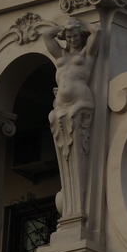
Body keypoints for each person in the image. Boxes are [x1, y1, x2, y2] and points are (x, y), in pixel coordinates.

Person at [43, 17, 99, 218]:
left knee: (77, 142)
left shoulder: (86, 54)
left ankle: (77, 205)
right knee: (63, 142)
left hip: (81, 102)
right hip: (61, 106)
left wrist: (84, 25)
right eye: (69, 36)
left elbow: (97, 33)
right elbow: (46, 35)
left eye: (75, 36)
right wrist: (64, 26)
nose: (73, 39)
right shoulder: (61, 55)